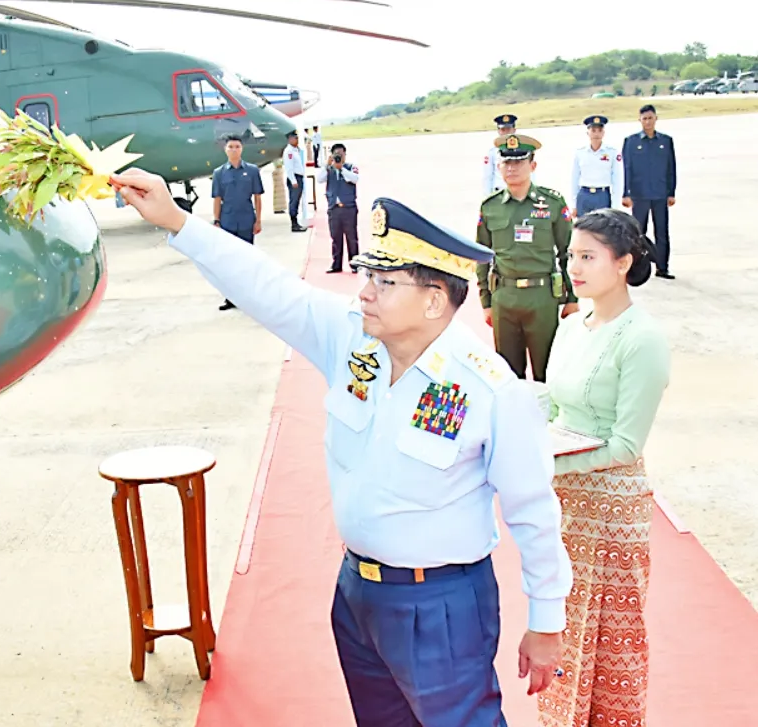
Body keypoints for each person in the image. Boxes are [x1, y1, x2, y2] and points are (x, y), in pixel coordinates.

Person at [110, 167, 572, 726]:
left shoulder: (490, 390)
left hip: (442, 603)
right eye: (367, 275)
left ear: (434, 301)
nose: (365, 292)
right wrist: (178, 221)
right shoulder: (355, 340)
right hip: (357, 594)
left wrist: (546, 620)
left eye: (385, 281)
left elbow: (532, 511)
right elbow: (266, 287)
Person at [536, 209, 671, 727]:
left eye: (588, 257)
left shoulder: (642, 338)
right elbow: (552, 405)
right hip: (564, 506)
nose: (574, 266)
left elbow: (624, 445)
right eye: (571, 255)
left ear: (623, 264)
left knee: (615, 645)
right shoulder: (569, 327)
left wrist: (551, 463)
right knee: (561, 635)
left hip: (614, 511)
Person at [477, 133, 579, 381]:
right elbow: (481, 255)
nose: (511, 168)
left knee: (547, 371)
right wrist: (486, 301)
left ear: (532, 166)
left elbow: (569, 252)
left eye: (519, 162)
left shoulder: (553, 203)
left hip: (542, 298)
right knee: (508, 375)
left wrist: (572, 298)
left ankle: (549, 420)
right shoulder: (490, 207)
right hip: (504, 298)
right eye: (506, 162)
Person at [620, 104, 676, 280]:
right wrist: (626, 193)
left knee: (662, 232)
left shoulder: (665, 141)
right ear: (639, 120)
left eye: (650, 118)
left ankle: (662, 267)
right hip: (639, 194)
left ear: (656, 119)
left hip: (660, 193)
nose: (648, 122)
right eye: (644, 118)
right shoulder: (631, 141)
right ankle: (637, 267)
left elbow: (671, 168)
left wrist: (671, 192)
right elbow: (627, 169)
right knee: (637, 233)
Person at [210, 134, 265, 310]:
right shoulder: (219, 173)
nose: (234, 150)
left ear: (242, 149)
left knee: (248, 260)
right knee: (229, 262)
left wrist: (258, 220)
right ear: (225, 150)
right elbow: (217, 199)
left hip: (247, 220)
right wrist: (216, 221)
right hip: (228, 221)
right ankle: (231, 298)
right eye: (230, 147)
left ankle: (249, 296)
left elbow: (257, 197)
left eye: (237, 147)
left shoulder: (252, 170)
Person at [316, 143, 359, 273]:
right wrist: (327, 165)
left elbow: (354, 179)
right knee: (336, 237)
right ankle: (336, 264)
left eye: (341, 154)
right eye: (336, 155)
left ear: (345, 155)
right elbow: (319, 179)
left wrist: (341, 169)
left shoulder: (351, 167)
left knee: (352, 237)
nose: (339, 157)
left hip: (348, 208)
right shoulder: (329, 169)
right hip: (334, 208)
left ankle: (355, 264)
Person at [569, 115, 622, 218]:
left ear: (604, 132)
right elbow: (574, 179)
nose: (596, 134)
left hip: (602, 195)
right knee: (583, 229)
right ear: (587, 132)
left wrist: (615, 207)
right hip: (584, 195)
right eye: (593, 130)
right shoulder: (580, 152)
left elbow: (617, 180)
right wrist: (573, 204)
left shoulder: (612, 152)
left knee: (602, 229)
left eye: (599, 130)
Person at [482, 114, 518, 196]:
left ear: (514, 130)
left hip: (518, 193)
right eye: (503, 130)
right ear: (498, 131)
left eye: (508, 129)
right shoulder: (492, 151)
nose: (506, 132)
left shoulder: (524, 149)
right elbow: (487, 177)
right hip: (499, 194)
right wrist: (487, 198)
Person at [282, 130, 308, 233]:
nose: (297, 140)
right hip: (295, 178)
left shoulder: (295, 150)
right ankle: (294, 224)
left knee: (296, 200)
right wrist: (293, 180)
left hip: (298, 177)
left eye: (297, 138)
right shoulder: (289, 151)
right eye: (295, 138)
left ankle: (296, 223)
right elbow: (289, 168)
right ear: (289, 139)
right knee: (294, 201)